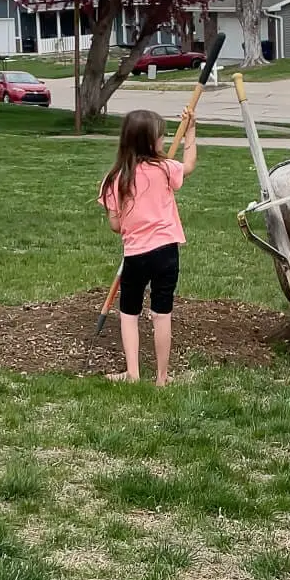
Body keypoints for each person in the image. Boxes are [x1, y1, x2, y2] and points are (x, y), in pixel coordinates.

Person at [98, 108, 197, 386]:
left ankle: (133, 373)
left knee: (129, 313)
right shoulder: (165, 168)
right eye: (161, 137)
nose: (164, 142)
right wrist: (191, 133)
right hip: (166, 252)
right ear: (148, 141)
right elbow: (188, 165)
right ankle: (162, 378)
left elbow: (116, 226)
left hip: (136, 255)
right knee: (161, 312)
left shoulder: (114, 179)